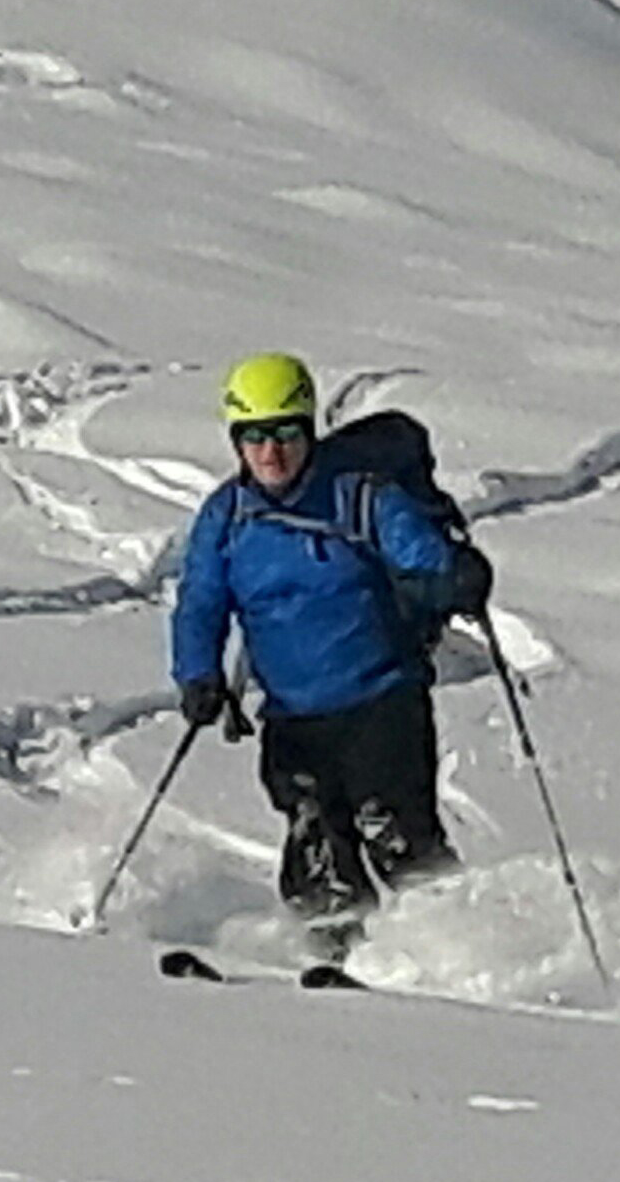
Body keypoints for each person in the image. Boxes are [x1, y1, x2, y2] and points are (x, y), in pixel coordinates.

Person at [168, 352, 492, 922]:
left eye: (286, 434)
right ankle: (335, 953)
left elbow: (420, 553)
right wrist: (199, 675)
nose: (272, 452)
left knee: (393, 829)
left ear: (309, 430)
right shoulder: (227, 517)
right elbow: (201, 603)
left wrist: (456, 575)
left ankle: (458, 944)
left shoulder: (358, 496)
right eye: (255, 437)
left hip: (382, 703)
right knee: (314, 840)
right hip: (293, 716)